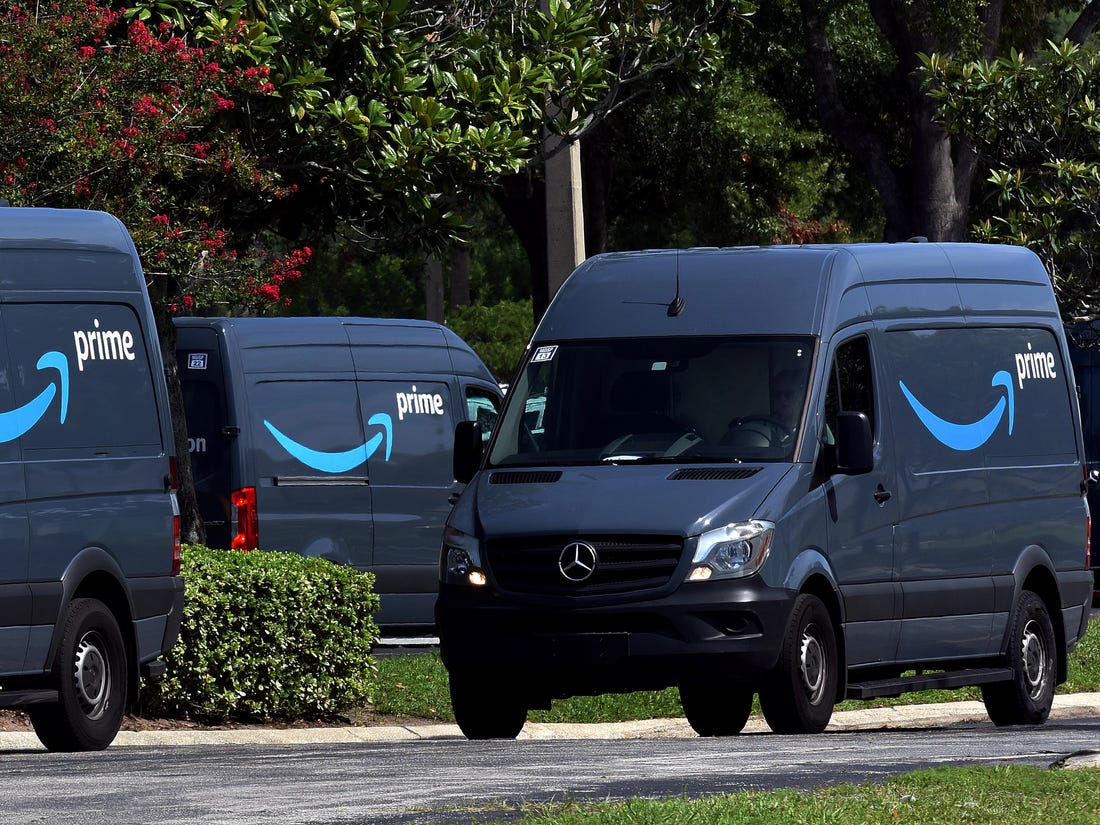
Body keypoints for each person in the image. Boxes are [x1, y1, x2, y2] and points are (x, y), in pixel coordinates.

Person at [721, 368, 805, 448]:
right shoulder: (762, 425)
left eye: (788, 394)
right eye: (777, 394)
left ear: (800, 396)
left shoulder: (807, 427)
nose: (782, 399)